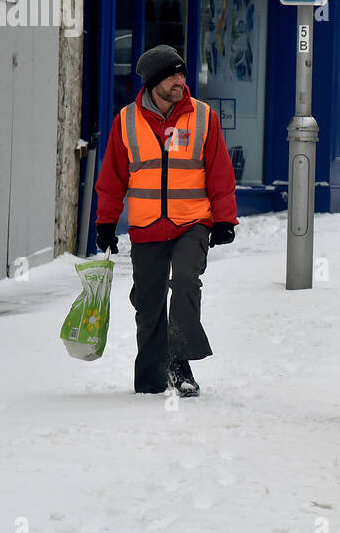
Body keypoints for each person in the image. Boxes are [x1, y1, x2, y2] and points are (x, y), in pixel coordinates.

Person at [94, 44, 238, 397]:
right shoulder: (126, 121)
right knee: (148, 302)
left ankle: (179, 362)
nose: (179, 80)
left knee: (186, 280)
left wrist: (224, 220)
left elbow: (220, 172)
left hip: (192, 223)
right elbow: (112, 179)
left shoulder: (203, 117)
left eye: (182, 73)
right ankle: (150, 380)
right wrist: (105, 224)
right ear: (153, 82)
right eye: (172, 75)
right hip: (146, 227)